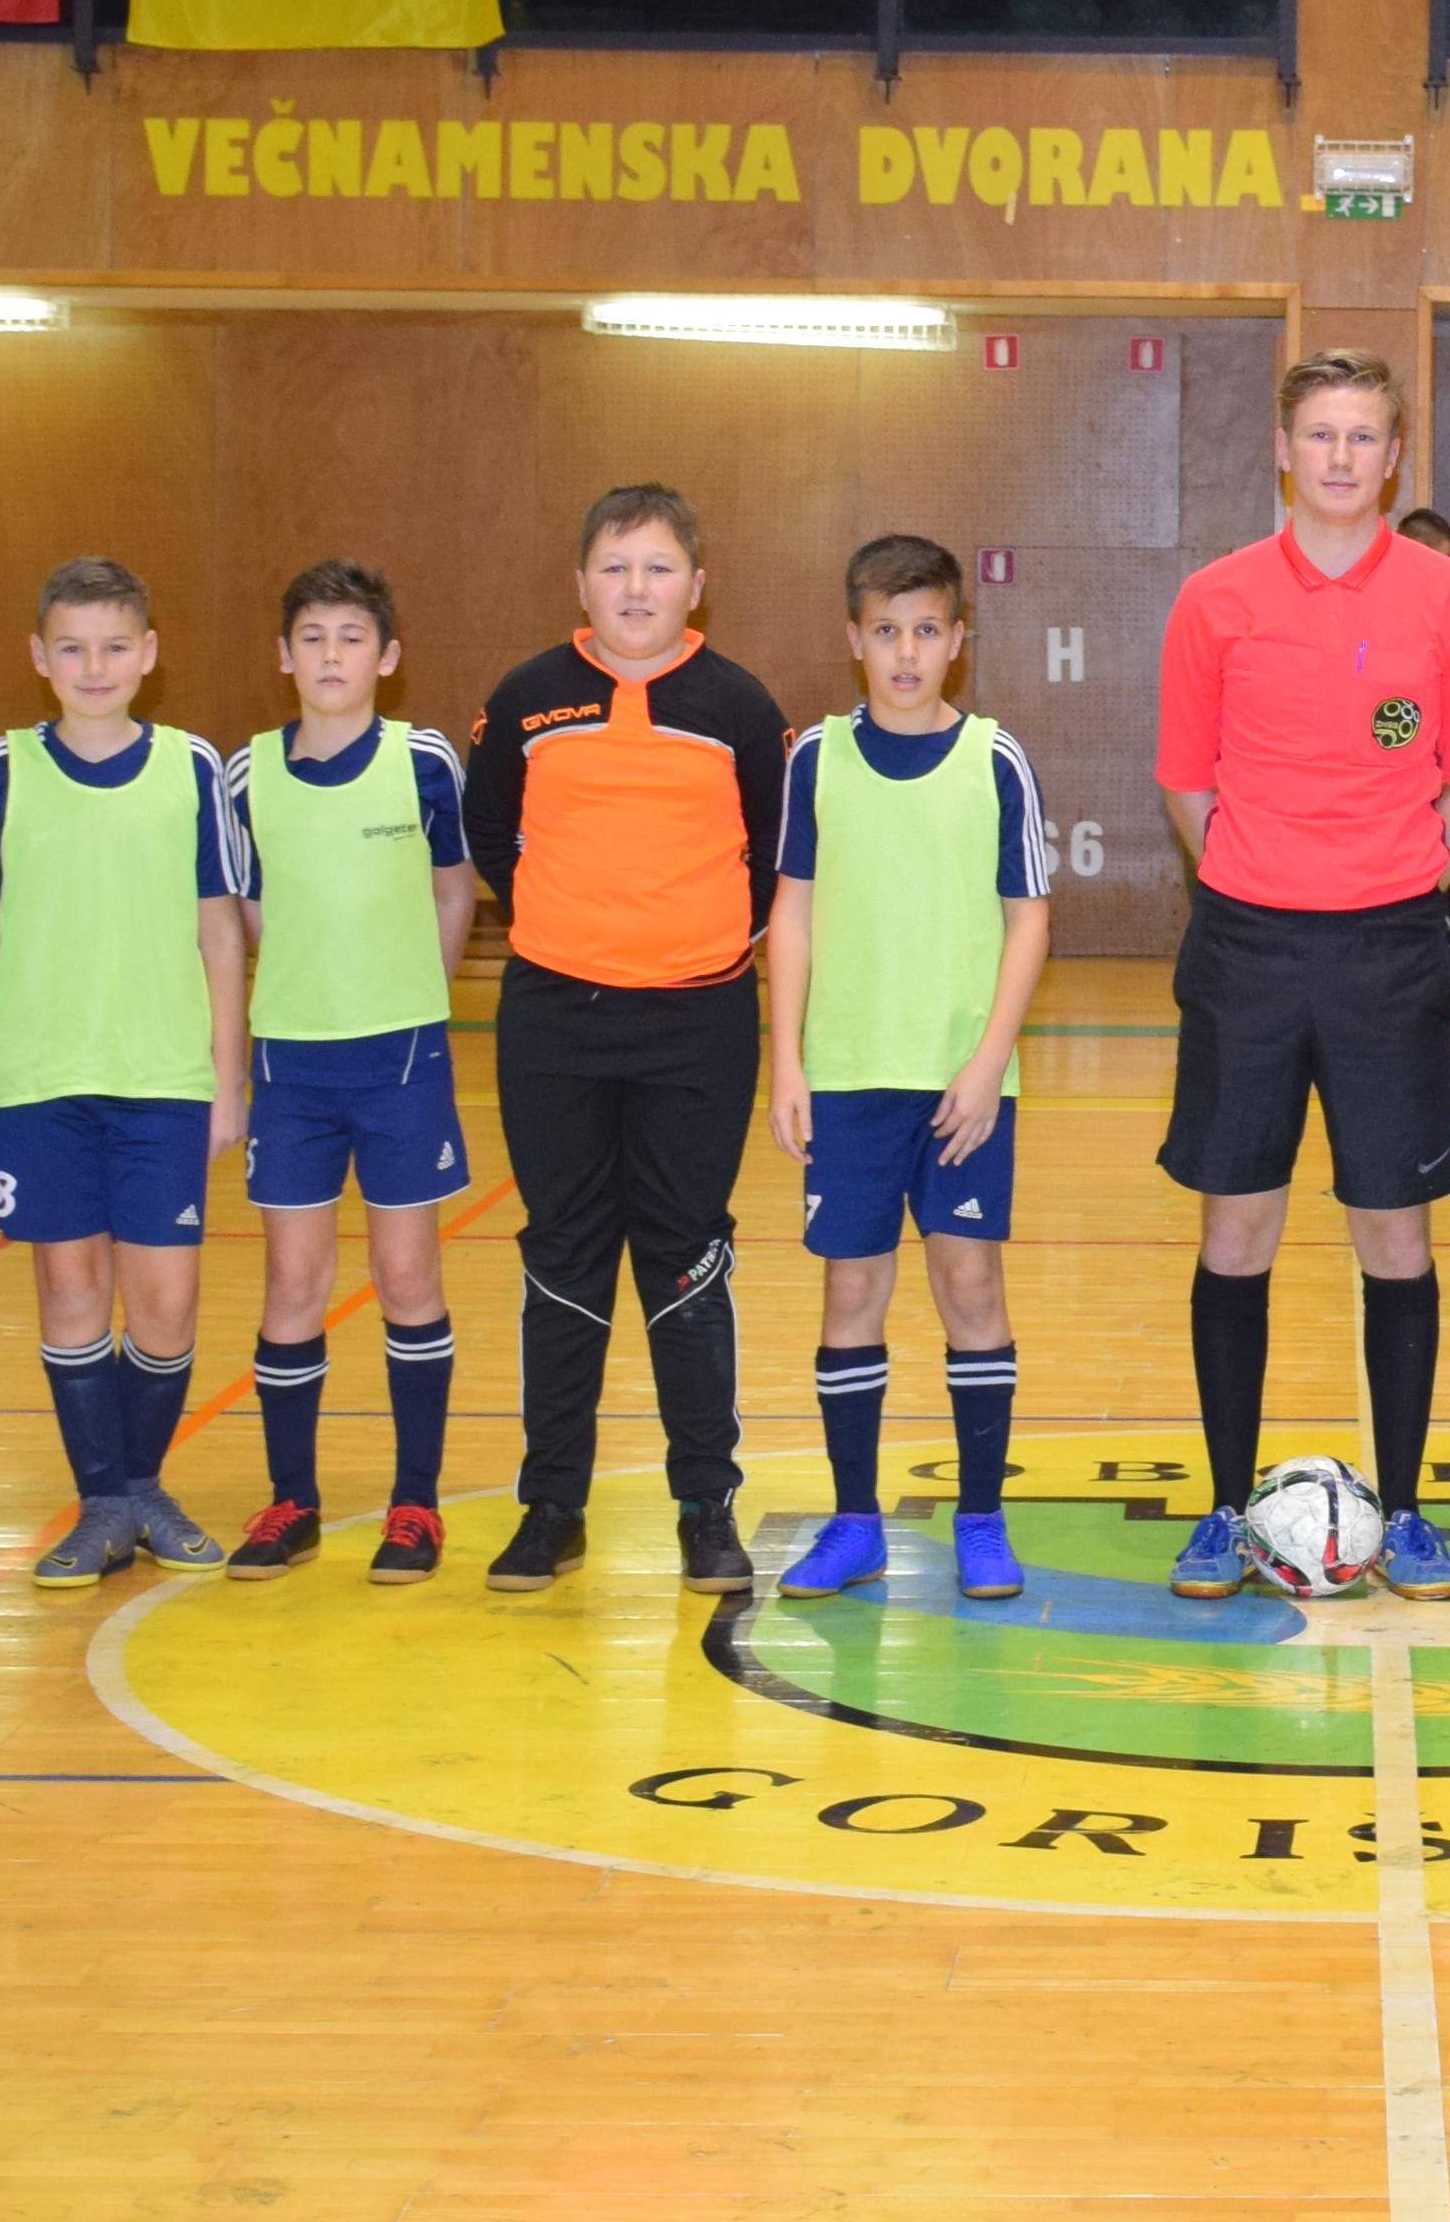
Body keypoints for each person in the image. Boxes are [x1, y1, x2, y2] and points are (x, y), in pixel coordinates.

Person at [1153, 351, 1450, 1597]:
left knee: (1395, 1236)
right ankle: (1220, 1508)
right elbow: (1187, 783)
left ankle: (1404, 1511)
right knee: (1236, 1231)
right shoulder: (1214, 598)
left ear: (1394, 454)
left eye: (1364, 435)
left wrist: (1397, 884)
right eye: (1321, 434)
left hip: (1389, 953)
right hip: (1246, 951)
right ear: (1283, 448)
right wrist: (1264, 879)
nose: (1342, 456)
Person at [467, 485, 795, 1597]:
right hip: (554, 1022)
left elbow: (773, 851)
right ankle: (552, 1506)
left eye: (658, 568)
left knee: (684, 1254)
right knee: (563, 1256)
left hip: (696, 1026)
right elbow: (488, 832)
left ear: (697, 585)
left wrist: (697, 940)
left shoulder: (738, 706)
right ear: (580, 584)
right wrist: (566, 927)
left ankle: (706, 1505)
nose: (636, 589)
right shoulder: (526, 699)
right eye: (615, 568)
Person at [763, 536, 1056, 1606]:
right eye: (885, 630)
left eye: (926, 630)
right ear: (854, 639)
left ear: (957, 640)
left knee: (970, 1285)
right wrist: (785, 1059)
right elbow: (791, 911)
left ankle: (981, 1517)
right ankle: (856, 1523)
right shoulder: (817, 758)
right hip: (847, 1076)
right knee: (853, 1288)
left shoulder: (994, 758)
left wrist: (987, 1062)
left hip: (960, 1083)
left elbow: (1029, 920)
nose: (905, 652)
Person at [0, 560, 256, 1589]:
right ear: (39, 656)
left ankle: (141, 1483)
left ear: (148, 653)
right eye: (72, 647)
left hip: (161, 1075)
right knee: (69, 1288)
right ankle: (105, 1498)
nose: (93, 667)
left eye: (113, 646)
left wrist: (226, 1075)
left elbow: (221, 932)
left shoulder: (190, 767)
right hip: (40, 1073)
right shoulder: (4, 770)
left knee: (166, 1299)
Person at [227, 561, 478, 1584]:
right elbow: (247, 910)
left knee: (407, 1277)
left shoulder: (423, 762)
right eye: (313, 637)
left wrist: (419, 992)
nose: (332, 655)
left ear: (388, 656)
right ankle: (292, 1497)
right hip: (291, 1063)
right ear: (283, 656)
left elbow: (454, 890)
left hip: (400, 1060)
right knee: (294, 1280)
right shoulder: (245, 774)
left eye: (352, 637)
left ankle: (415, 1504)